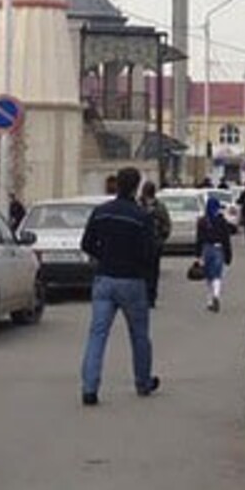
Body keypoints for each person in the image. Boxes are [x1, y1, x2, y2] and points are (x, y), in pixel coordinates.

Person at [79, 167, 160, 406]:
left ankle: (89, 387)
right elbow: (150, 252)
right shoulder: (141, 216)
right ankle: (143, 382)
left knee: (97, 334)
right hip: (132, 280)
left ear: (117, 185)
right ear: (136, 186)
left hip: (104, 279)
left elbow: (86, 243)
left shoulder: (101, 212)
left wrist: (104, 255)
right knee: (139, 335)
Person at [195, 197, 233, 312]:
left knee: (208, 276)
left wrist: (198, 255)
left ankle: (210, 300)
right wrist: (228, 254)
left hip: (206, 249)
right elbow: (226, 238)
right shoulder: (221, 221)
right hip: (218, 248)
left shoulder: (202, 221)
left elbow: (199, 239)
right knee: (217, 275)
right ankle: (216, 295)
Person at [139, 181, 172, 308]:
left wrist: (161, 239)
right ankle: (144, 296)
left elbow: (166, 225)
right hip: (140, 244)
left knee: (152, 272)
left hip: (153, 244)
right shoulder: (138, 205)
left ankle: (150, 297)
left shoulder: (159, 206)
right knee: (142, 272)